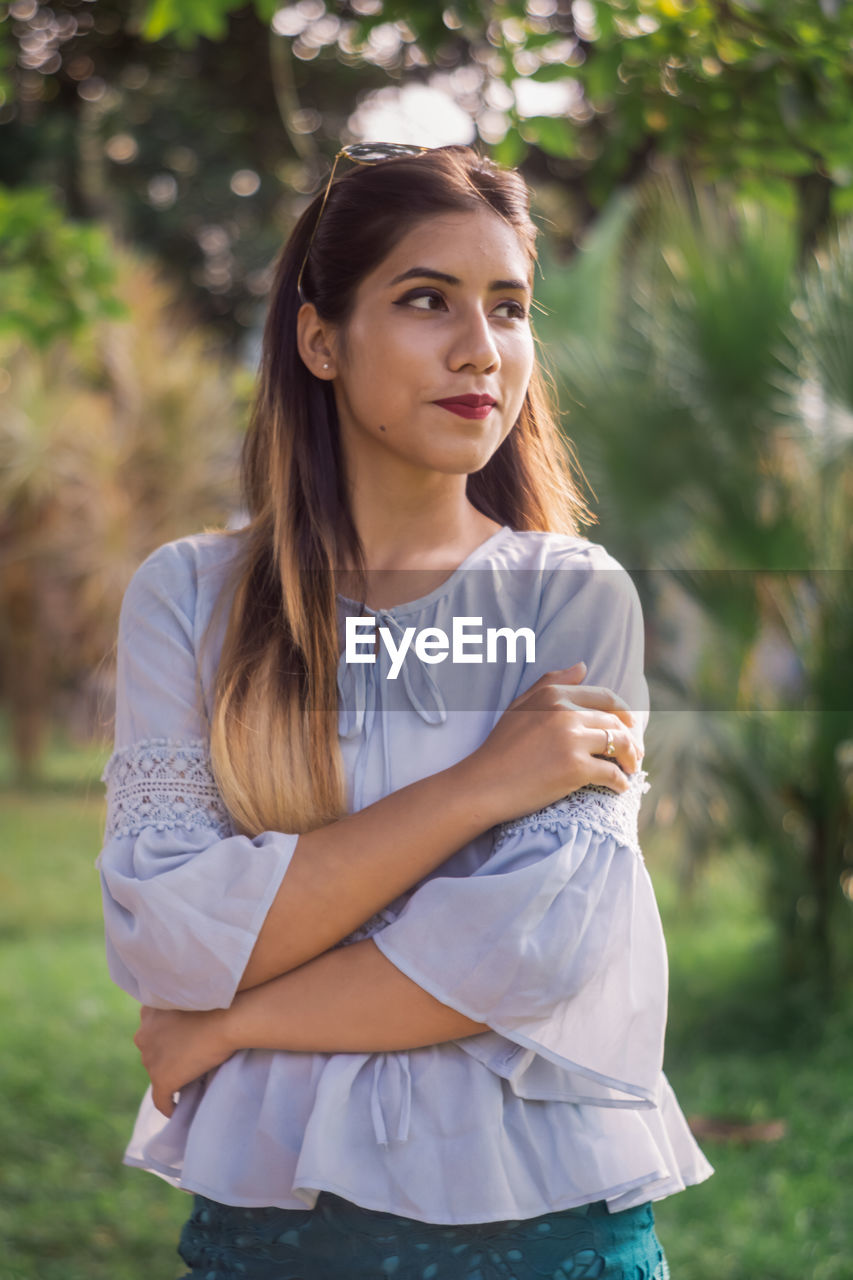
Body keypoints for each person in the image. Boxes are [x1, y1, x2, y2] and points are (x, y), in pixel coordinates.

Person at [97, 143, 713, 1280]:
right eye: (427, 299)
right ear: (320, 338)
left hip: (546, 1224)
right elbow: (167, 932)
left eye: (509, 307)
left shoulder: (571, 596)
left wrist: (232, 1018)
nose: (481, 348)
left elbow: (527, 953)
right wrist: (478, 788)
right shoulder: (186, 596)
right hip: (274, 1228)